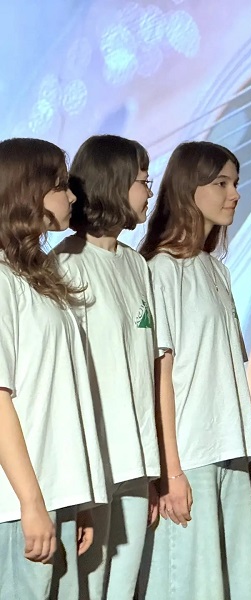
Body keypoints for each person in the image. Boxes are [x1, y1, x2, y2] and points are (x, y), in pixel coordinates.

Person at [137, 141, 251, 600]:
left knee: (233, 584)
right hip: (189, 455)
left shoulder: (216, 270)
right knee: (188, 585)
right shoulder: (161, 270)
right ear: (189, 188)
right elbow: (159, 378)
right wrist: (170, 473)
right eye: (222, 183)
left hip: (228, 447)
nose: (235, 194)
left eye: (236, 183)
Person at [53, 135, 160, 599]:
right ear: (114, 184)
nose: (149, 192)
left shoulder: (136, 264)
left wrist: (154, 472)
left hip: (136, 457)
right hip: (93, 461)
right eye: (142, 181)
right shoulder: (66, 264)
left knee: (124, 587)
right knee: (87, 587)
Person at [0, 138, 107, 599]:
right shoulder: (2, 280)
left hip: (54, 495)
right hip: (18, 505)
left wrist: (76, 498)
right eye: (61, 185)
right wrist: (30, 502)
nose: (73, 196)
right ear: (28, 193)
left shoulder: (39, 276)